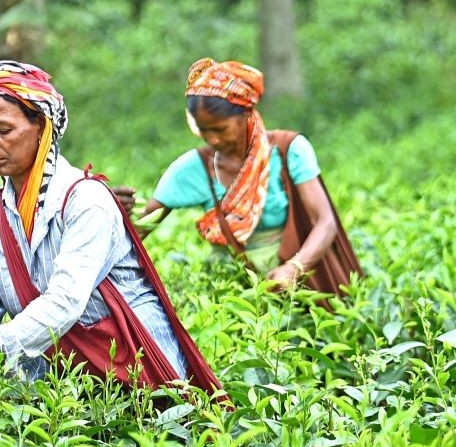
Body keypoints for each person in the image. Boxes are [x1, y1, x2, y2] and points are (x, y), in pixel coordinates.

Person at [0, 60, 221, 394]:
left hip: (137, 372)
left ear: (41, 129)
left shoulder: (85, 201)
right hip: (61, 382)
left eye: (4, 129)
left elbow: (64, 302)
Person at [116, 58, 361, 294]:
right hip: (231, 289)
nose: (212, 139)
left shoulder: (290, 151)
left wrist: (294, 268)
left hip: (301, 288)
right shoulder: (192, 168)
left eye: (220, 129)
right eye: (203, 130)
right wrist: (117, 213)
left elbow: (325, 221)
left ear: (246, 115)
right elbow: (137, 235)